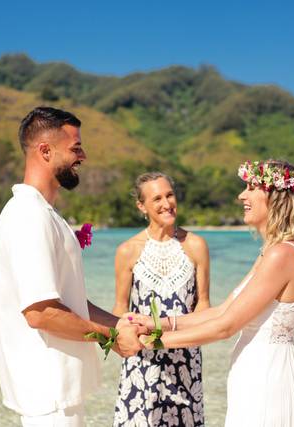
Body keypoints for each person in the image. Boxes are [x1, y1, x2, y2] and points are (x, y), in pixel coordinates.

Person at [128, 160, 294, 426]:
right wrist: (157, 323)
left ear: (276, 197)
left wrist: (157, 341)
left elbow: (226, 327)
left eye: (252, 187)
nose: (241, 195)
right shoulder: (274, 251)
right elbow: (223, 311)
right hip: (257, 371)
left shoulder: (282, 254)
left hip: (266, 375)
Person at [0, 106, 144, 427]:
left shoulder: (46, 215)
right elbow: (41, 313)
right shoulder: (28, 217)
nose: (83, 156)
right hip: (48, 397)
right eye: (75, 147)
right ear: (45, 151)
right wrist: (111, 339)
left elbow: (68, 301)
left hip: (59, 394)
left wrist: (119, 324)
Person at [112, 172, 211, 427]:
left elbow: (203, 305)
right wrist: (117, 341)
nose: (167, 203)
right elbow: (120, 309)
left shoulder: (196, 245)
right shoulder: (127, 251)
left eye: (169, 195)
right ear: (141, 206)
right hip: (142, 364)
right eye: (157, 198)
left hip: (186, 363)